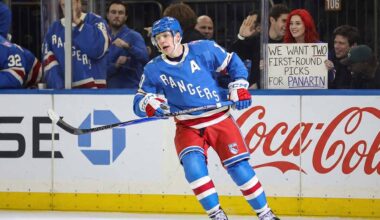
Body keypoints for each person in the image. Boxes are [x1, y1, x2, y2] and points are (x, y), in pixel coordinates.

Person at [132, 17, 279, 220]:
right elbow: (139, 99)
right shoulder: (153, 69)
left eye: (165, 36)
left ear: (177, 36)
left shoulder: (204, 49)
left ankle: (265, 214)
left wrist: (238, 87)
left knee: (239, 168)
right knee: (193, 169)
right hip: (187, 126)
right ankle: (216, 214)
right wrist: (148, 104)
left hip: (219, 119)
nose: (162, 41)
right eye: (158, 38)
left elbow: (233, 63)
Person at [42, 0, 110, 89]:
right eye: (64, 5)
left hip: (95, 92)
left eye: (70, 4)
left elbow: (97, 49)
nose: (67, 9)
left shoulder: (95, 21)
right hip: (65, 93)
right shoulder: (54, 30)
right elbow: (49, 64)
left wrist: (78, 22)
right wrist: (59, 90)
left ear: (79, 3)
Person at [229, 4, 290, 89]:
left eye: (288, 22)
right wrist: (241, 37)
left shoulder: (290, 43)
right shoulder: (257, 40)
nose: (287, 25)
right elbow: (234, 56)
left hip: (285, 91)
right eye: (284, 21)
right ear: (272, 20)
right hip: (257, 92)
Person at [106, 0, 149, 89]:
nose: (117, 16)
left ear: (126, 17)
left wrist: (127, 46)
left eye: (120, 13)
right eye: (113, 12)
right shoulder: (102, 36)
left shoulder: (134, 36)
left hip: (130, 91)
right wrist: (116, 65)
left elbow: (145, 58)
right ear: (108, 15)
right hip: (106, 92)